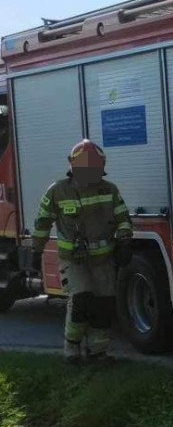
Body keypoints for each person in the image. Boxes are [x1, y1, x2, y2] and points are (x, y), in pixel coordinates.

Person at [28, 140, 132, 361]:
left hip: (103, 259)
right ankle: (72, 348)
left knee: (103, 304)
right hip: (74, 260)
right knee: (81, 298)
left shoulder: (109, 190)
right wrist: (36, 252)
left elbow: (123, 218)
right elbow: (43, 222)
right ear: (73, 165)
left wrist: (124, 241)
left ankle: (98, 351)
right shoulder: (57, 191)